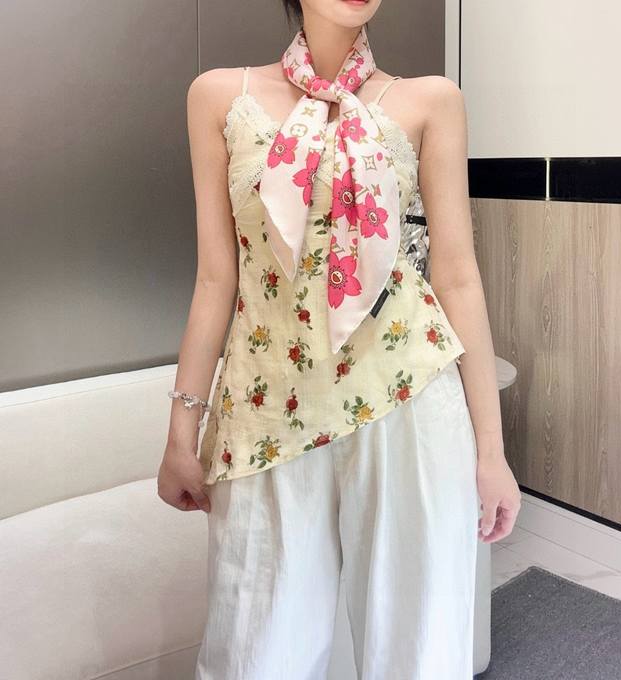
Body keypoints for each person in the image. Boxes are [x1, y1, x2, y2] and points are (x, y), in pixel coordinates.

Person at [157, 1, 522, 678]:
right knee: (257, 650)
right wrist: (182, 431)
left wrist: (492, 452)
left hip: (409, 404)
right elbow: (216, 278)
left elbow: (456, 275)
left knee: (418, 648)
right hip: (267, 412)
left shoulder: (431, 101)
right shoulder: (219, 97)